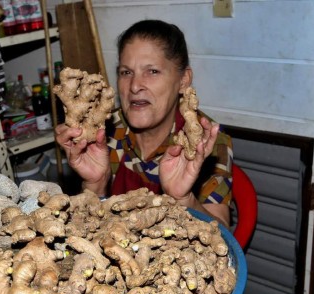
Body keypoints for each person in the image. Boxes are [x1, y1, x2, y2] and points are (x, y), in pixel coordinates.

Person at [55, 19, 232, 228]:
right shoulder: (105, 133)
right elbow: (84, 230)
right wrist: (95, 184)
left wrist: (184, 199)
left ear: (184, 80)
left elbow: (222, 241)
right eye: (126, 72)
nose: (135, 86)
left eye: (152, 71)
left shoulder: (204, 141)